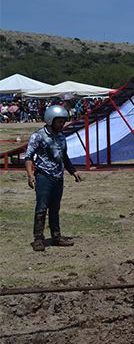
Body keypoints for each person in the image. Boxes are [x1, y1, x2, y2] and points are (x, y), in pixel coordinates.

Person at [24, 104, 82, 251]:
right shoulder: (38, 136)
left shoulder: (62, 136)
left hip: (58, 177)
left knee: (55, 209)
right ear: (50, 120)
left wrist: (73, 171)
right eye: (59, 122)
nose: (62, 124)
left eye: (63, 121)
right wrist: (30, 175)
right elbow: (28, 157)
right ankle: (38, 239)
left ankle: (56, 236)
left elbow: (64, 156)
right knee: (42, 208)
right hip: (44, 177)